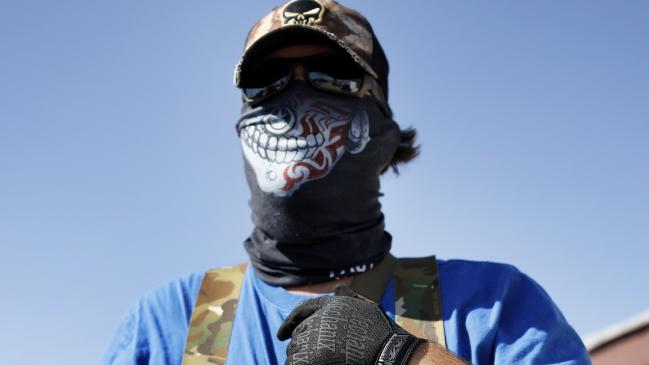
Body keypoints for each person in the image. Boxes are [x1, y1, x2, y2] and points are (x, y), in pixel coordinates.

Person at [103, 1, 591, 364]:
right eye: (266, 82)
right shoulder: (173, 326)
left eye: (329, 76)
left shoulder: (493, 306)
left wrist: (404, 358)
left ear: (379, 129)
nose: (290, 104)